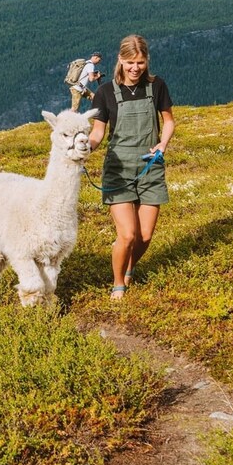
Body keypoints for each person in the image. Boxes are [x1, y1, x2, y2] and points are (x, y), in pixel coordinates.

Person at [87, 35, 175, 301]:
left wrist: (163, 144)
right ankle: (118, 284)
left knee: (145, 236)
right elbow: (98, 132)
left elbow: (169, 121)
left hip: (151, 166)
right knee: (127, 235)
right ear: (120, 61)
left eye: (140, 62)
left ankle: (129, 266)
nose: (135, 68)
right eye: (129, 63)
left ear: (146, 60)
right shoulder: (104, 92)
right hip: (118, 169)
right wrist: (85, 149)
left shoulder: (157, 86)